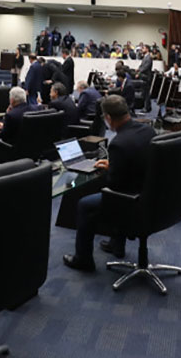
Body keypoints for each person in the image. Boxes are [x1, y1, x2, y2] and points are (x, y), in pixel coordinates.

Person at [63, 94, 156, 271]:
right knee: (119, 190)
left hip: (133, 199)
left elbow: (114, 184)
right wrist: (114, 164)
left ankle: (83, 259)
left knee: (85, 204)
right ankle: (116, 245)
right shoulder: (147, 130)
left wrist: (109, 170)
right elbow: (138, 159)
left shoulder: (119, 143)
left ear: (108, 118)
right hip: (151, 192)